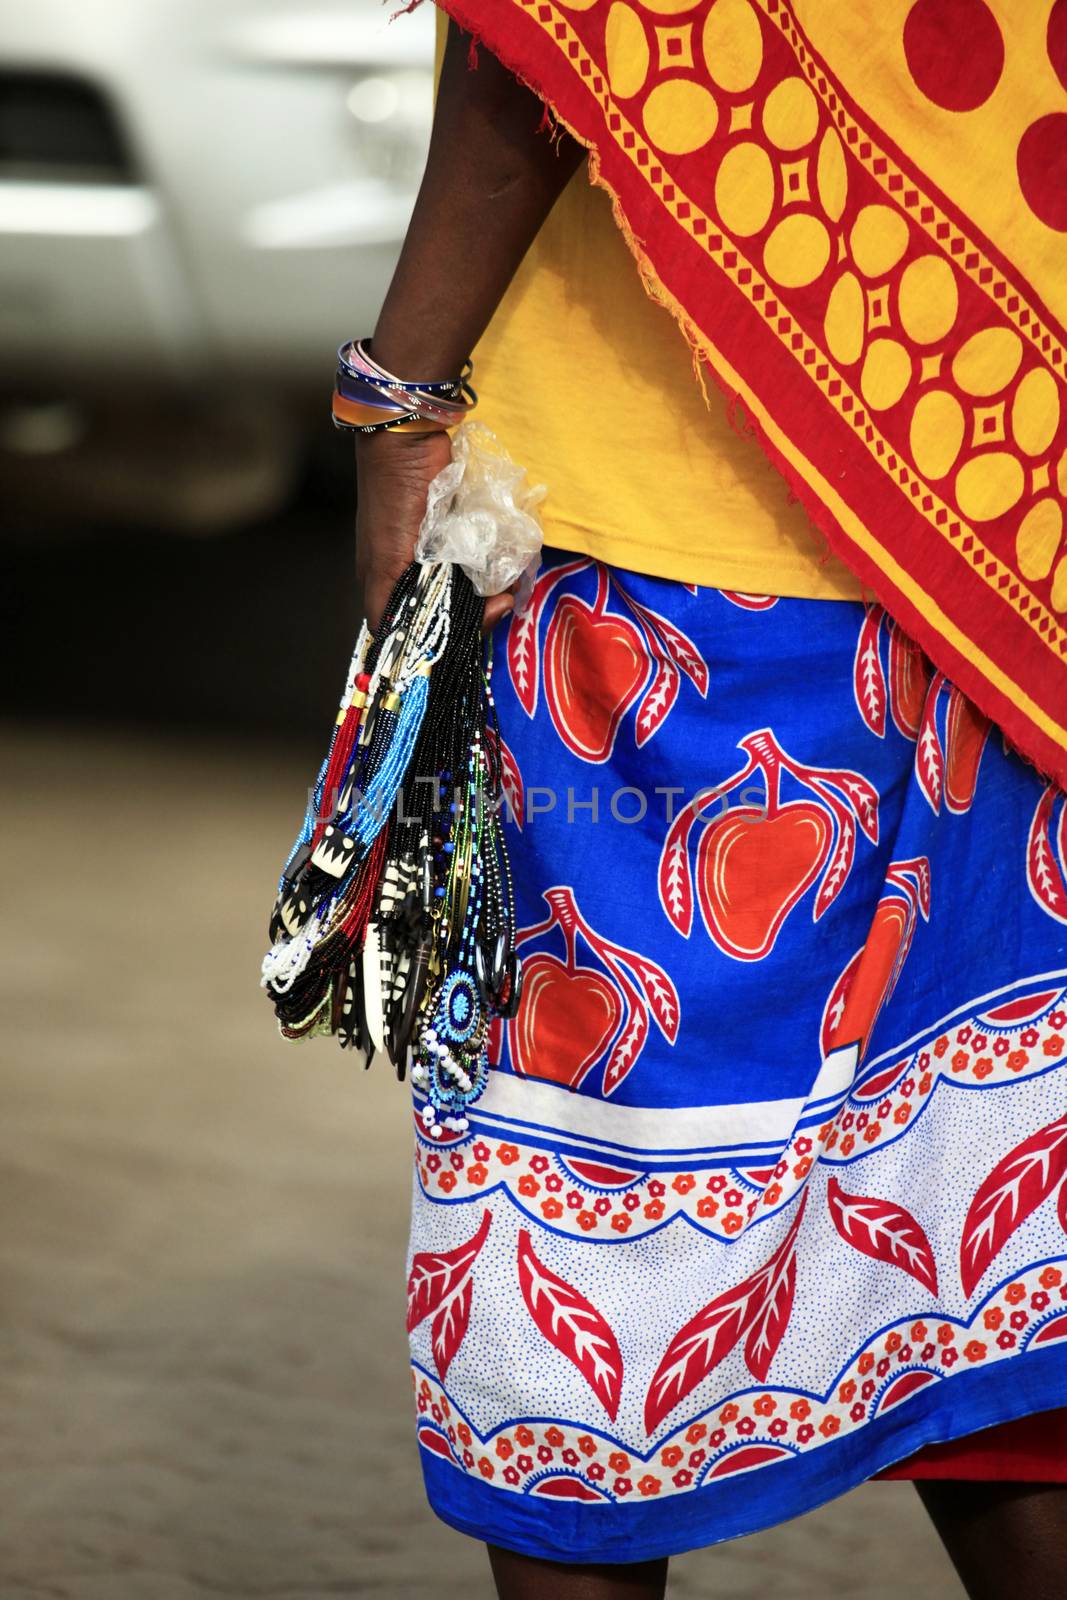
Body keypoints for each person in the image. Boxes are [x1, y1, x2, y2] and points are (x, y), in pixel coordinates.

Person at [355, 10, 1067, 1597]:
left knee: (587, 1282)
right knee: (1001, 1240)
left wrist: (394, 397)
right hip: (1010, 547)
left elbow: (560, 31)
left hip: (663, 579)